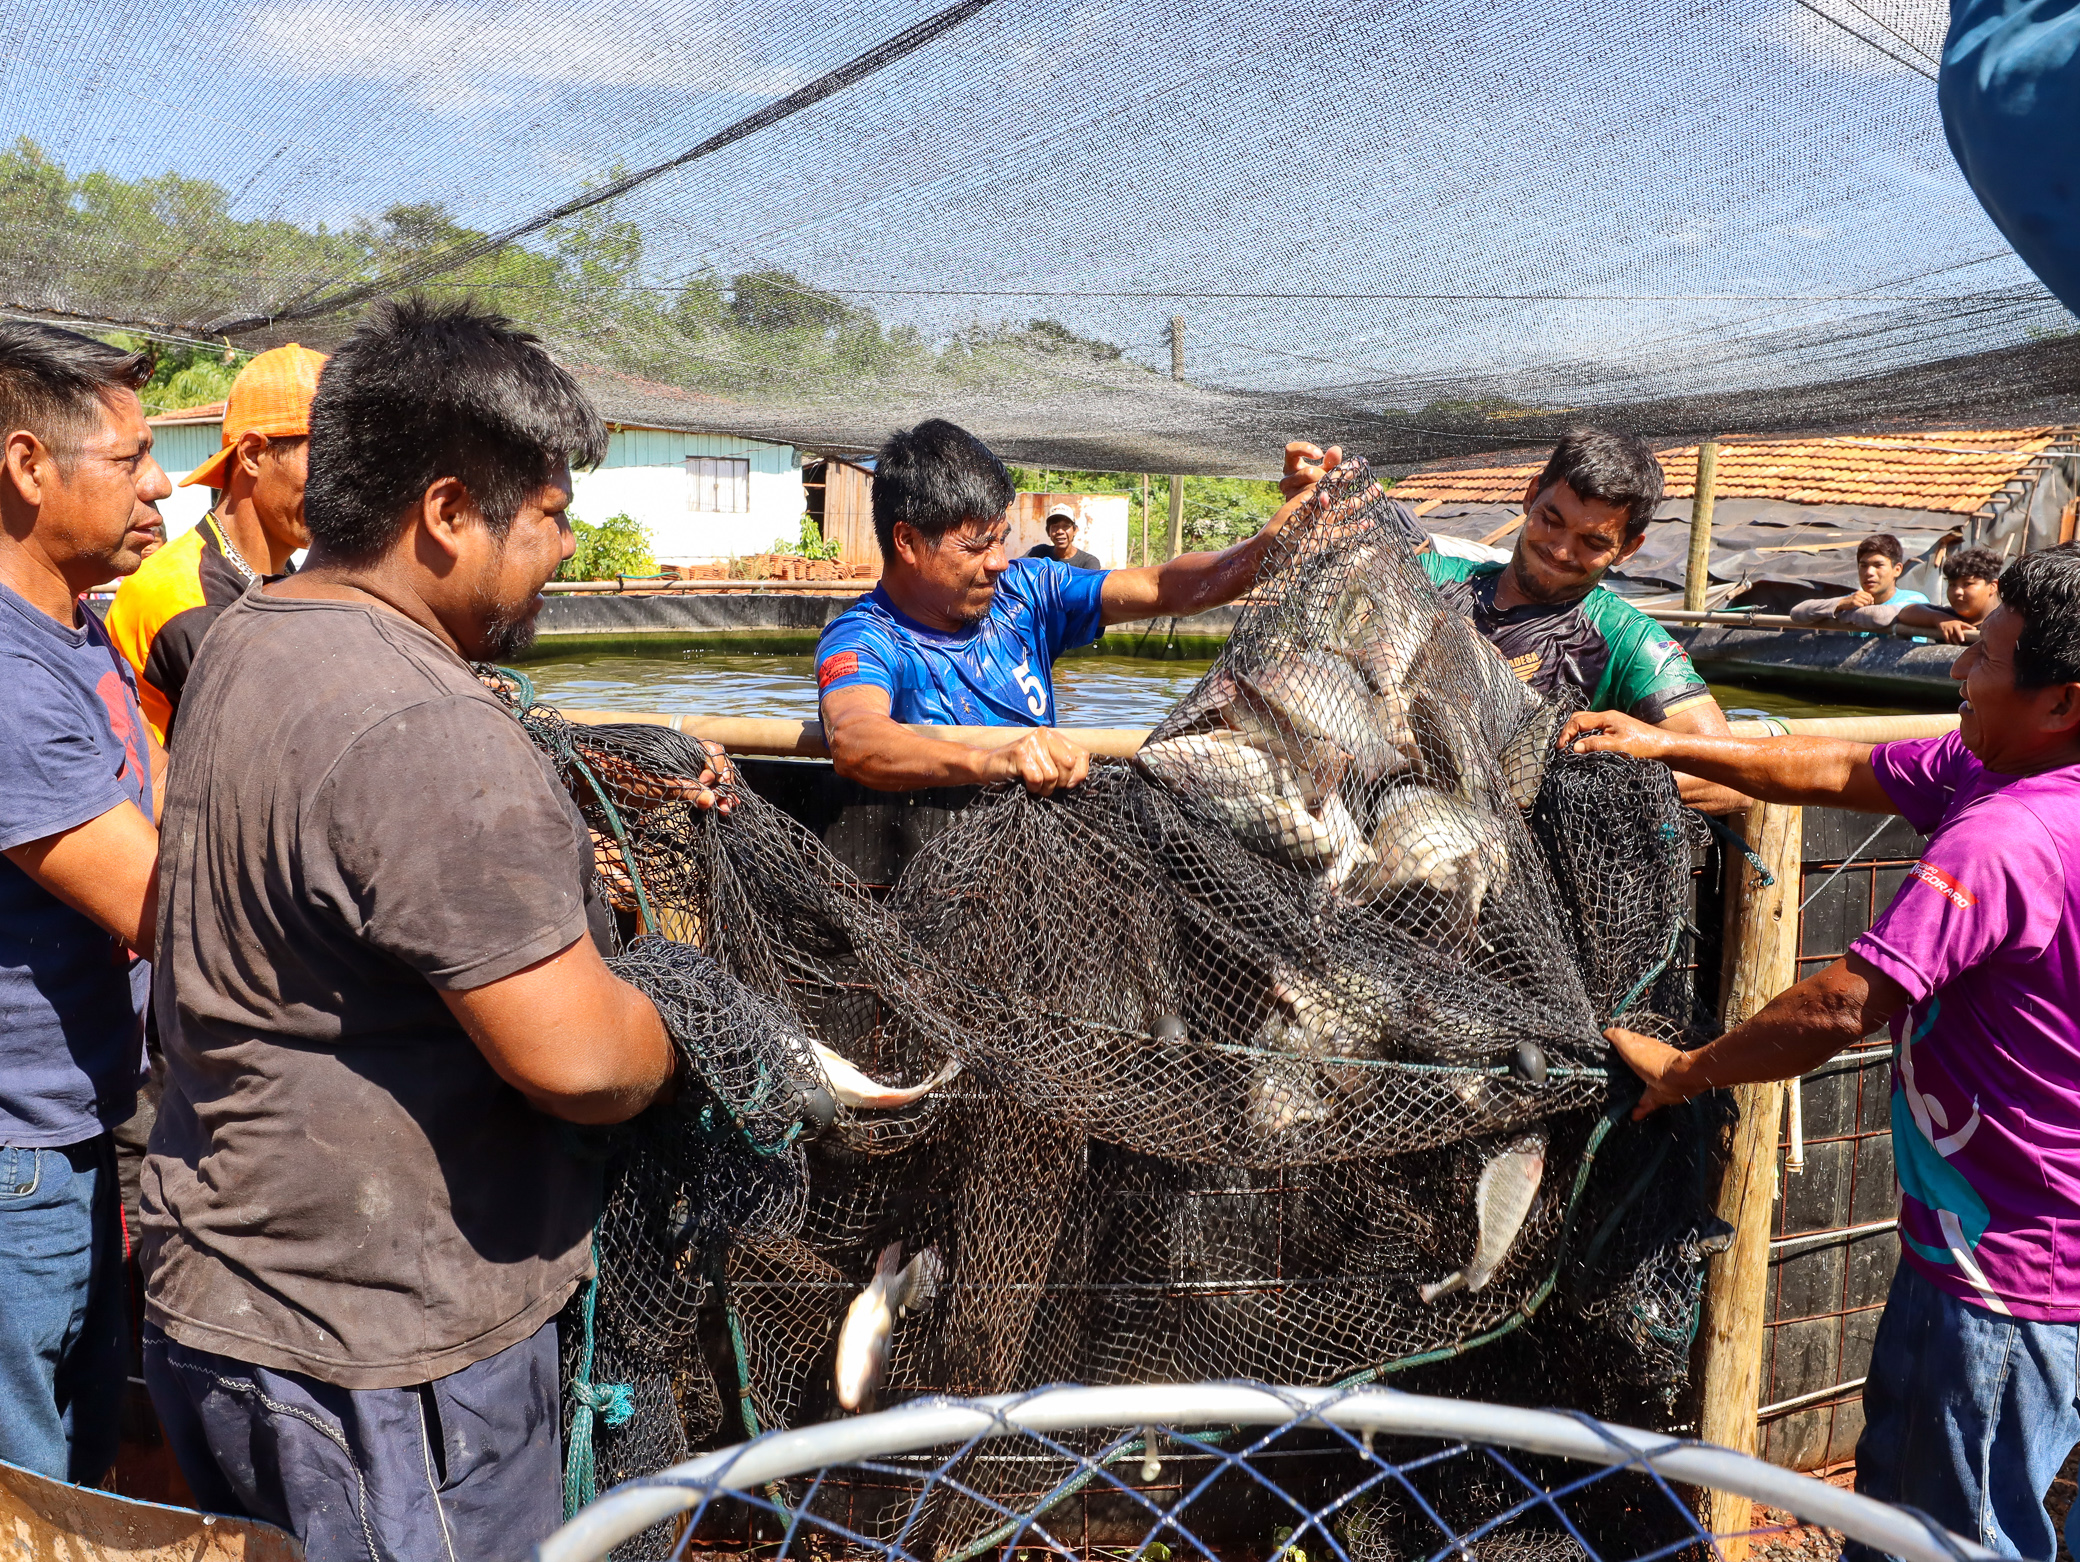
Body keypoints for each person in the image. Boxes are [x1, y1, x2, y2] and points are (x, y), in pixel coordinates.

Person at [138, 298, 711, 1559]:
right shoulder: (426, 723)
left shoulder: (254, 634)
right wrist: (686, 1027)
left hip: (234, 1299)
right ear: (448, 513)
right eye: (552, 512)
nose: (568, 543)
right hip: (380, 1365)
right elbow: (579, 1058)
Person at [1560, 541, 2080, 1560]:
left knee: (1935, 1536)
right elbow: (1840, 765)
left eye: (1982, 656)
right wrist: (1670, 750)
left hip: (2002, 1277)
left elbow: (1844, 1001)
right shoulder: (1998, 767)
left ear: (2060, 700)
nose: (1958, 671)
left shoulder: (2008, 836)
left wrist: (1688, 1067)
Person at [0, 322, 170, 1484]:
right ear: (26, 467)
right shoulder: (6, 671)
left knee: (85, 1451)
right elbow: (163, 902)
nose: (159, 484)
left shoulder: (82, 624)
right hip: (17, 1159)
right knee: (28, 1480)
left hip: (82, 1115)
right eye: (131, 457)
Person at [815, 419, 1328, 794]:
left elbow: (1165, 587)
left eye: (1003, 540)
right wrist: (995, 759)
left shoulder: (1027, 592)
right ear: (906, 540)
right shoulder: (866, 639)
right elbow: (856, 738)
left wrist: (1271, 542)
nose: (998, 562)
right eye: (976, 547)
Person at [105, 342, 325, 746]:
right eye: (325, 459)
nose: (340, 483)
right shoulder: (186, 602)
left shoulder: (270, 574)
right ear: (255, 454)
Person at [1788, 533, 1930, 630]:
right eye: (1863, 566)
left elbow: (1878, 617)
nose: (1869, 572)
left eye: (1878, 565)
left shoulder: (1914, 601)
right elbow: (1797, 612)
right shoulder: (1852, 601)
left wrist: (1838, 613)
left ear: (1897, 570)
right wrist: (1840, 604)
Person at [1890, 545, 2003, 645]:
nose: (1957, 591)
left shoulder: (2008, 622)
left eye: (1967, 584)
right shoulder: (1949, 617)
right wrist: (1939, 619)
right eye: (1952, 585)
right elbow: (1906, 613)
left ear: (1993, 586)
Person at [1024, 505, 1101, 571]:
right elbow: (1017, 568)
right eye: (1055, 526)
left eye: (1065, 526)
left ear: (1075, 530)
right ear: (1048, 531)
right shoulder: (1039, 553)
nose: (1060, 531)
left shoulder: (1088, 562)